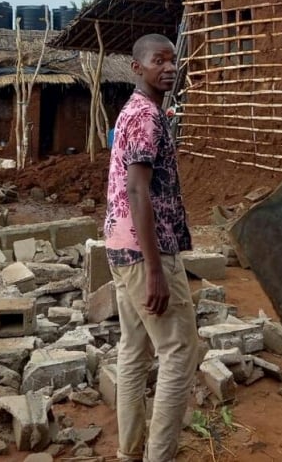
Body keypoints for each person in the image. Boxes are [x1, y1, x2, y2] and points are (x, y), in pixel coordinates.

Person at [104, 33, 196, 462]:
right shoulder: (146, 117)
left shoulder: (132, 112)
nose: (169, 67)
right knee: (179, 351)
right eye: (159, 61)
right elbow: (139, 192)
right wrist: (156, 269)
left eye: (172, 60)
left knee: (134, 351)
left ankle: (129, 452)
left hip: (120, 249)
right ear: (137, 68)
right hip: (144, 253)